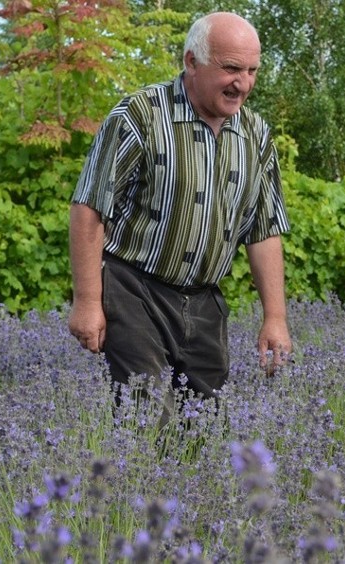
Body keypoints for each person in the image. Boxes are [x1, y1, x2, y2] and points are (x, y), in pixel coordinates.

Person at [68, 12, 292, 414]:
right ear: (192, 62)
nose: (243, 83)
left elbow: (264, 230)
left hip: (205, 303)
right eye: (230, 68)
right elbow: (89, 207)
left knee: (203, 432)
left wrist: (274, 317)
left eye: (251, 70)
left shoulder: (256, 135)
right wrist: (87, 301)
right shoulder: (140, 115)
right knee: (148, 417)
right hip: (134, 290)